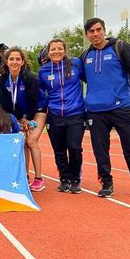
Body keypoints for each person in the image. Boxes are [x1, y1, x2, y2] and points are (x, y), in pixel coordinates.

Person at [82, 17, 130, 200]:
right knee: (100, 149)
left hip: (122, 107)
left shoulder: (121, 47)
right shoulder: (85, 56)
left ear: (104, 30)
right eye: (91, 31)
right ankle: (106, 182)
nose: (96, 34)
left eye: (99, 29)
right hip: (95, 111)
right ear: (87, 34)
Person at [38, 39, 86, 194]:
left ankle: (75, 179)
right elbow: (41, 93)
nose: (56, 52)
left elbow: (89, 79)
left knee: (74, 147)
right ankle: (64, 178)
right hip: (55, 114)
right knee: (59, 149)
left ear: (64, 50)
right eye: (53, 49)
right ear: (48, 52)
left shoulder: (76, 64)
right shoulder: (44, 71)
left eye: (59, 49)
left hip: (76, 113)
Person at [0, 47, 47, 192]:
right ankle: (25, 176)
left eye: (18, 59)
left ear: (23, 62)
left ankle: (39, 179)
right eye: (11, 59)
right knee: (22, 142)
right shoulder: (3, 80)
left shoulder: (29, 78)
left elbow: (33, 101)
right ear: (6, 62)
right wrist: (15, 120)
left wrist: (27, 120)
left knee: (31, 140)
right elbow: (6, 103)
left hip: (38, 110)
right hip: (19, 115)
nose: (14, 62)